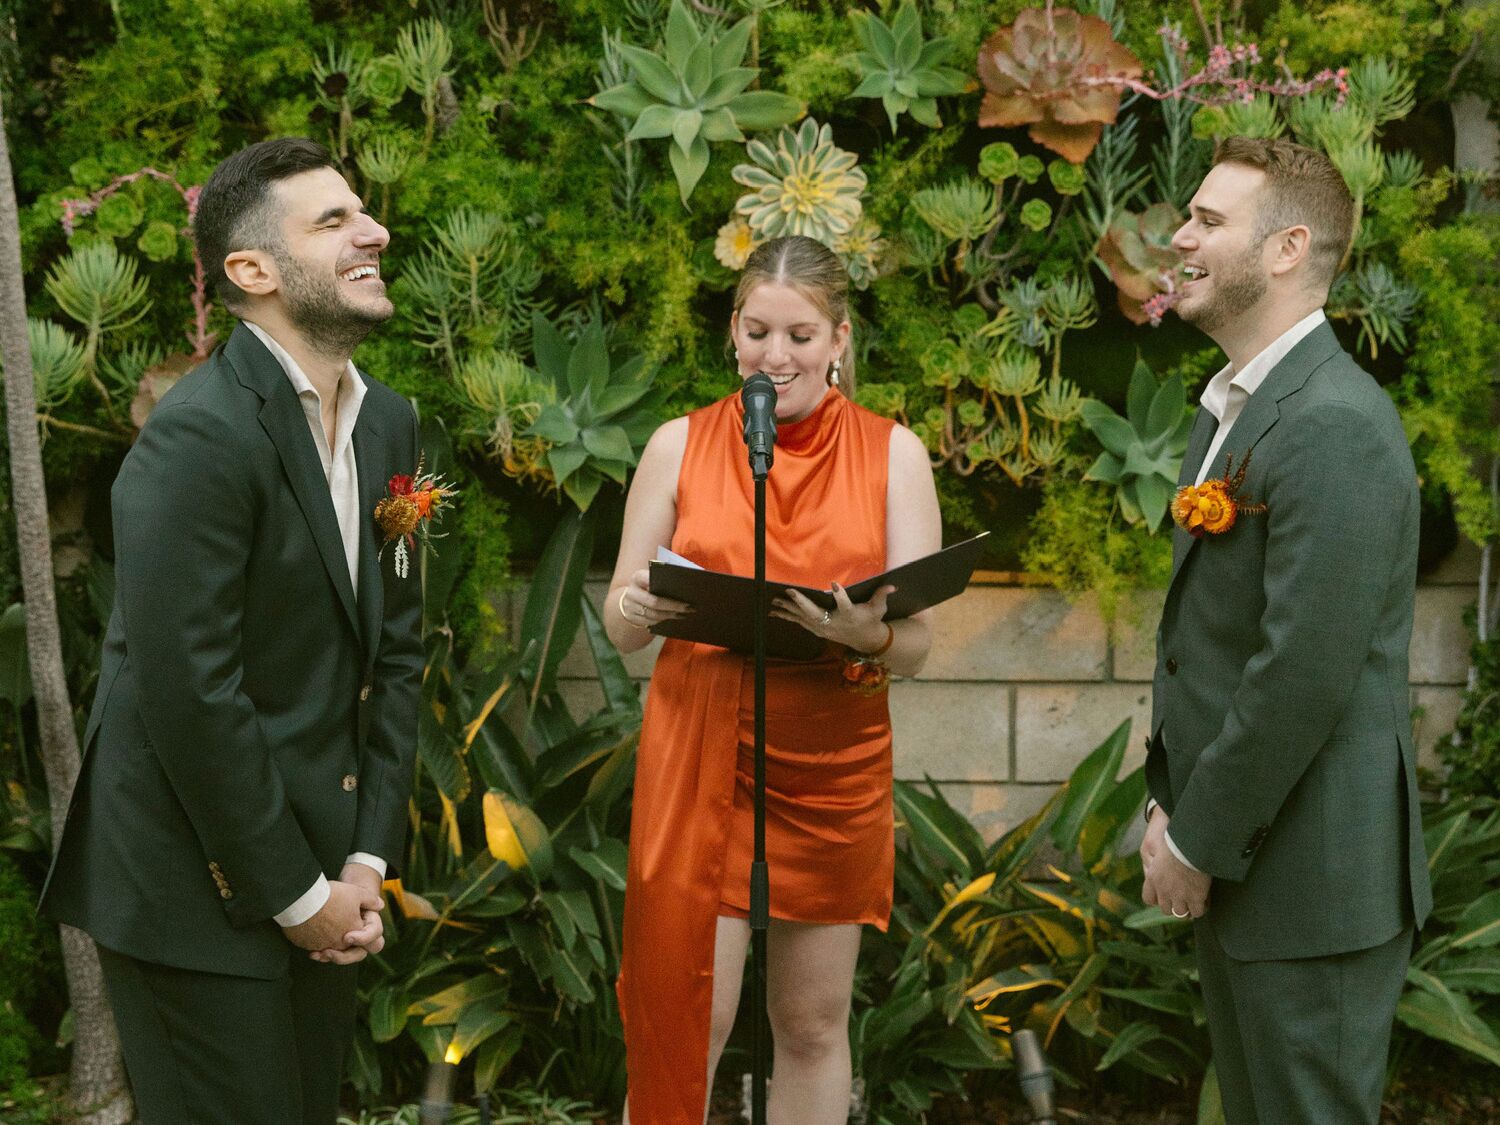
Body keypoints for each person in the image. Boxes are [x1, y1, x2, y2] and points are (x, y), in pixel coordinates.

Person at [39, 137, 425, 1124]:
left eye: (363, 211)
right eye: (333, 220)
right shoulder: (200, 435)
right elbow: (190, 693)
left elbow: (396, 655)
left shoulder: (388, 426)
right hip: (191, 888)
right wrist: (298, 900)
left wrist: (364, 866)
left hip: (324, 871)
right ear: (252, 272)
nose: (373, 230)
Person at [606, 235, 941, 1123]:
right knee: (688, 1014)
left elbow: (919, 643)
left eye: (799, 336)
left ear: (839, 339)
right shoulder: (678, 445)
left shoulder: (893, 454)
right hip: (701, 749)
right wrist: (642, 606)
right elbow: (618, 623)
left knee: (810, 1022)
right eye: (758, 331)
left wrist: (868, 633)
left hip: (830, 762)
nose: (775, 356)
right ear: (732, 330)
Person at [1141, 136, 1432, 1123]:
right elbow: (1210, 638)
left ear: (1286, 248)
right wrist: (1171, 807)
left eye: (1207, 221)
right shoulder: (1233, 407)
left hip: (1311, 882)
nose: (1178, 238)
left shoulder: (1335, 422)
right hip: (1255, 874)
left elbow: (1302, 669)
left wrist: (1198, 839)